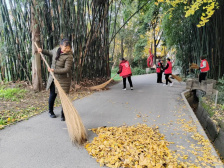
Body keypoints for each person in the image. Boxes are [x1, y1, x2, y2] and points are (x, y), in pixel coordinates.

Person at [37, 39, 73, 121]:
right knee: (52, 95)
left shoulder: (69, 56)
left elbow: (67, 69)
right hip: (53, 77)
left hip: (64, 79)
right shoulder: (56, 50)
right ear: (60, 46)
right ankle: (50, 112)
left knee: (64, 97)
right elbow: (50, 52)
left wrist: (54, 70)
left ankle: (63, 115)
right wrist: (42, 50)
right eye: (65, 47)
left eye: (68, 48)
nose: (67, 49)